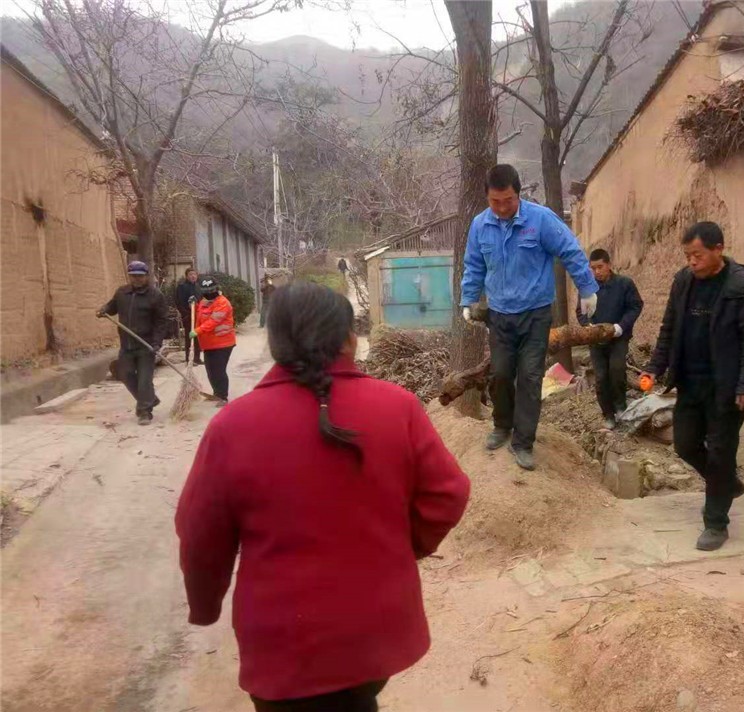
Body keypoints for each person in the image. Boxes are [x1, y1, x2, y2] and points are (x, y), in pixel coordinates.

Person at [176, 281, 470, 712]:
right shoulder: (398, 406)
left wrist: (205, 605)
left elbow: (200, 534)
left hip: (283, 643)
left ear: (276, 343)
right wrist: (405, 549)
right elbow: (448, 492)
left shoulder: (233, 426)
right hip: (376, 630)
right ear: (349, 339)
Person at [460, 164, 599, 471]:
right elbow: (474, 265)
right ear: (487, 197)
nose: (501, 208)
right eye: (495, 202)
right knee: (500, 374)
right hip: (499, 315)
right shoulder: (480, 225)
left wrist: (587, 288)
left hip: (535, 314)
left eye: (507, 200)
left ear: (518, 194)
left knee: (530, 377)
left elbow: (570, 251)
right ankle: (502, 425)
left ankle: (523, 442)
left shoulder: (541, 219)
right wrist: (469, 299)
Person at [640, 222, 744, 551]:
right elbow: (668, 328)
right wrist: (654, 368)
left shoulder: (743, 285)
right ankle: (726, 484)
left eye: (697, 255)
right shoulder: (683, 281)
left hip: (726, 387)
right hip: (690, 382)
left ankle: (715, 523)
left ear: (718, 249)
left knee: (721, 453)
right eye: (687, 256)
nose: (692, 262)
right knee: (685, 445)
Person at [576, 248, 644, 429]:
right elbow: (580, 312)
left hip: (618, 337)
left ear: (609, 265)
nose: (597, 272)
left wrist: (621, 326)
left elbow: (636, 306)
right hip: (596, 341)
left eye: (600, 267)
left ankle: (620, 406)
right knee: (600, 377)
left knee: (617, 370)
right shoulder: (587, 289)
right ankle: (608, 414)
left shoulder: (624, 284)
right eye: (593, 268)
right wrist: (587, 326)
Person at [97, 261, 166, 425]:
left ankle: (144, 411)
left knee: (144, 380)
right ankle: (150, 399)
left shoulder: (155, 295)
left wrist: (157, 342)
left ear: (146, 276)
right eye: (133, 276)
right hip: (126, 344)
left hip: (146, 345)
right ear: (129, 276)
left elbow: (162, 321)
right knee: (125, 375)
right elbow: (112, 307)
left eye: (140, 276)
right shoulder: (122, 293)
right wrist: (104, 309)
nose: (137, 279)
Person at [191, 276, 235, 406]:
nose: (209, 293)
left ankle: (223, 397)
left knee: (218, 370)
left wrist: (198, 331)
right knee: (210, 371)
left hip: (223, 343)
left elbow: (213, 321)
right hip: (208, 343)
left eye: (212, 290)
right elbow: (200, 314)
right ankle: (217, 393)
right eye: (206, 291)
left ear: (216, 289)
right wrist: (193, 305)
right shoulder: (204, 301)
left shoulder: (223, 303)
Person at [175, 267, 202, 365]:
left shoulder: (198, 287)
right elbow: (178, 302)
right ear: (186, 276)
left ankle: (197, 358)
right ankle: (189, 359)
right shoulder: (182, 287)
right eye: (190, 274)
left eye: (194, 274)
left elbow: (202, 300)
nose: (193, 276)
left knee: (198, 336)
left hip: (198, 316)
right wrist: (185, 313)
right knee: (189, 337)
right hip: (188, 316)